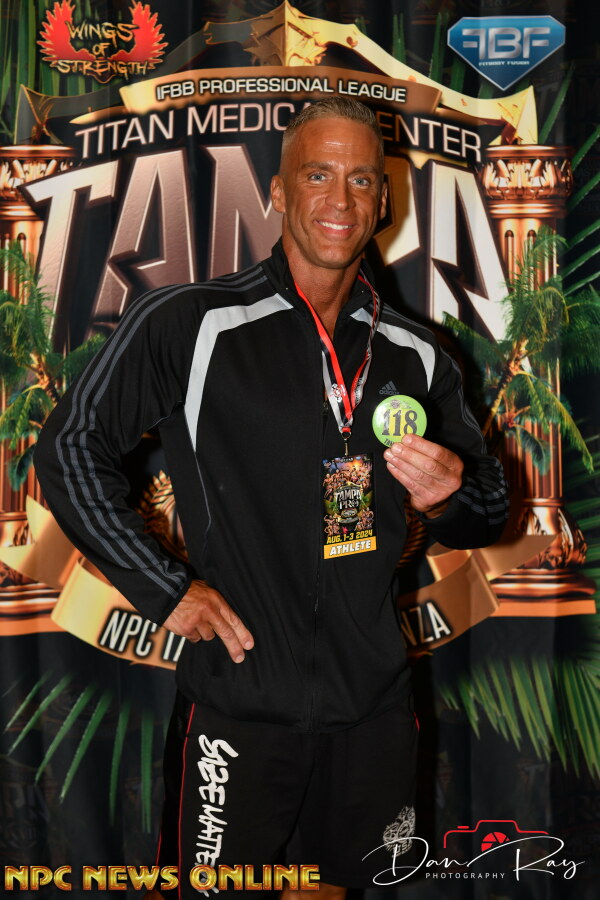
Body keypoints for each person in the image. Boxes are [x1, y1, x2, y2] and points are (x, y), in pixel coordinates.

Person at [34, 98, 508, 898]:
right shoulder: (191, 323)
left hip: (374, 715)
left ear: (383, 202)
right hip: (237, 709)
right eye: (318, 175)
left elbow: (489, 511)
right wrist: (166, 589)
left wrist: (453, 492)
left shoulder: (419, 353)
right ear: (279, 192)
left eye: (362, 180)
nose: (341, 199)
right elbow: (69, 449)